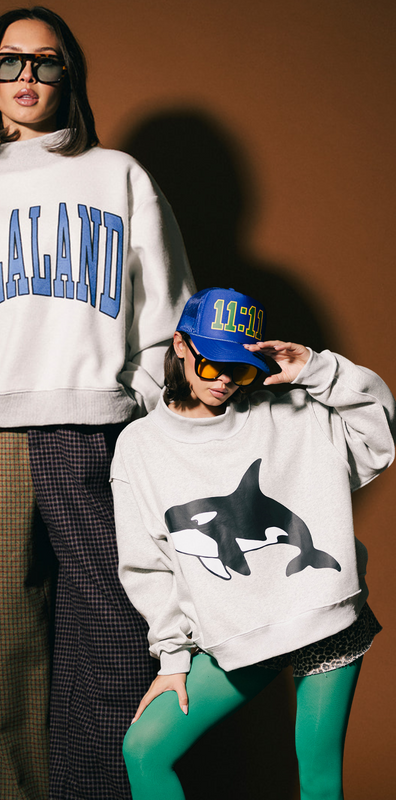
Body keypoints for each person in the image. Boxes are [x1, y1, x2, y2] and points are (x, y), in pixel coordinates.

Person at [0, 7, 194, 800]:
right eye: (10, 61)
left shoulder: (118, 177)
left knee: (118, 633)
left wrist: (137, 396)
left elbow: (168, 309)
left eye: (46, 61)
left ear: (68, 76)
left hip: (97, 430)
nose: (27, 77)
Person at [111, 286, 395, 800]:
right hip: (239, 631)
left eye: (240, 370)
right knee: (145, 750)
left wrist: (317, 369)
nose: (224, 380)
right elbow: (146, 564)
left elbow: (378, 438)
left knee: (320, 779)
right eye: (211, 364)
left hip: (326, 613)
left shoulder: (293, 413)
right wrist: (173, 657)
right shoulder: (139, 447)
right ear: (181, 345)